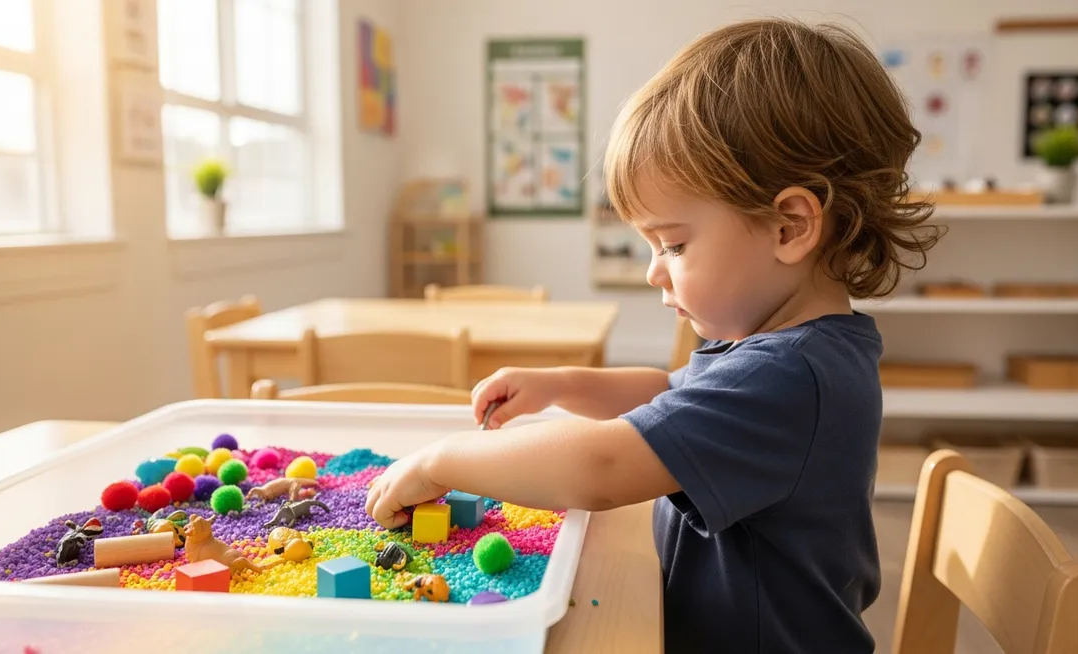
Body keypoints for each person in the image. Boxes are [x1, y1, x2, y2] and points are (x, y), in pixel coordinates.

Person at [365, 17, 941, 653]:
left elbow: (601, 467)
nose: (652, 270)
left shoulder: (788, 375)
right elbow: (663, 394)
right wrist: (560, 384)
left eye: (673, 243)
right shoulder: (781, 347)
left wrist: (440, 461)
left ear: (788, 227)